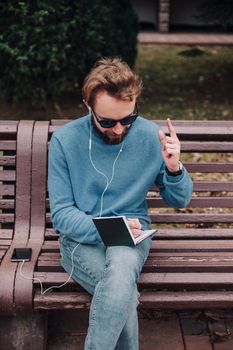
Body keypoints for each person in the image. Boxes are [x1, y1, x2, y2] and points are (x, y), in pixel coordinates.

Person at [48, 57, 193, 350]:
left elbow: (180, 200)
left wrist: (175, 167)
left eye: (128, 119)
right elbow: (62, 215)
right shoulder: (65, 140)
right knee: (122, 289)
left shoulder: (152, 137)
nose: (118, 129)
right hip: (80, 239)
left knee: (122, 268)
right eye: (107, 121)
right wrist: (110, 228)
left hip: (132, 237)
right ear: (88, 106)